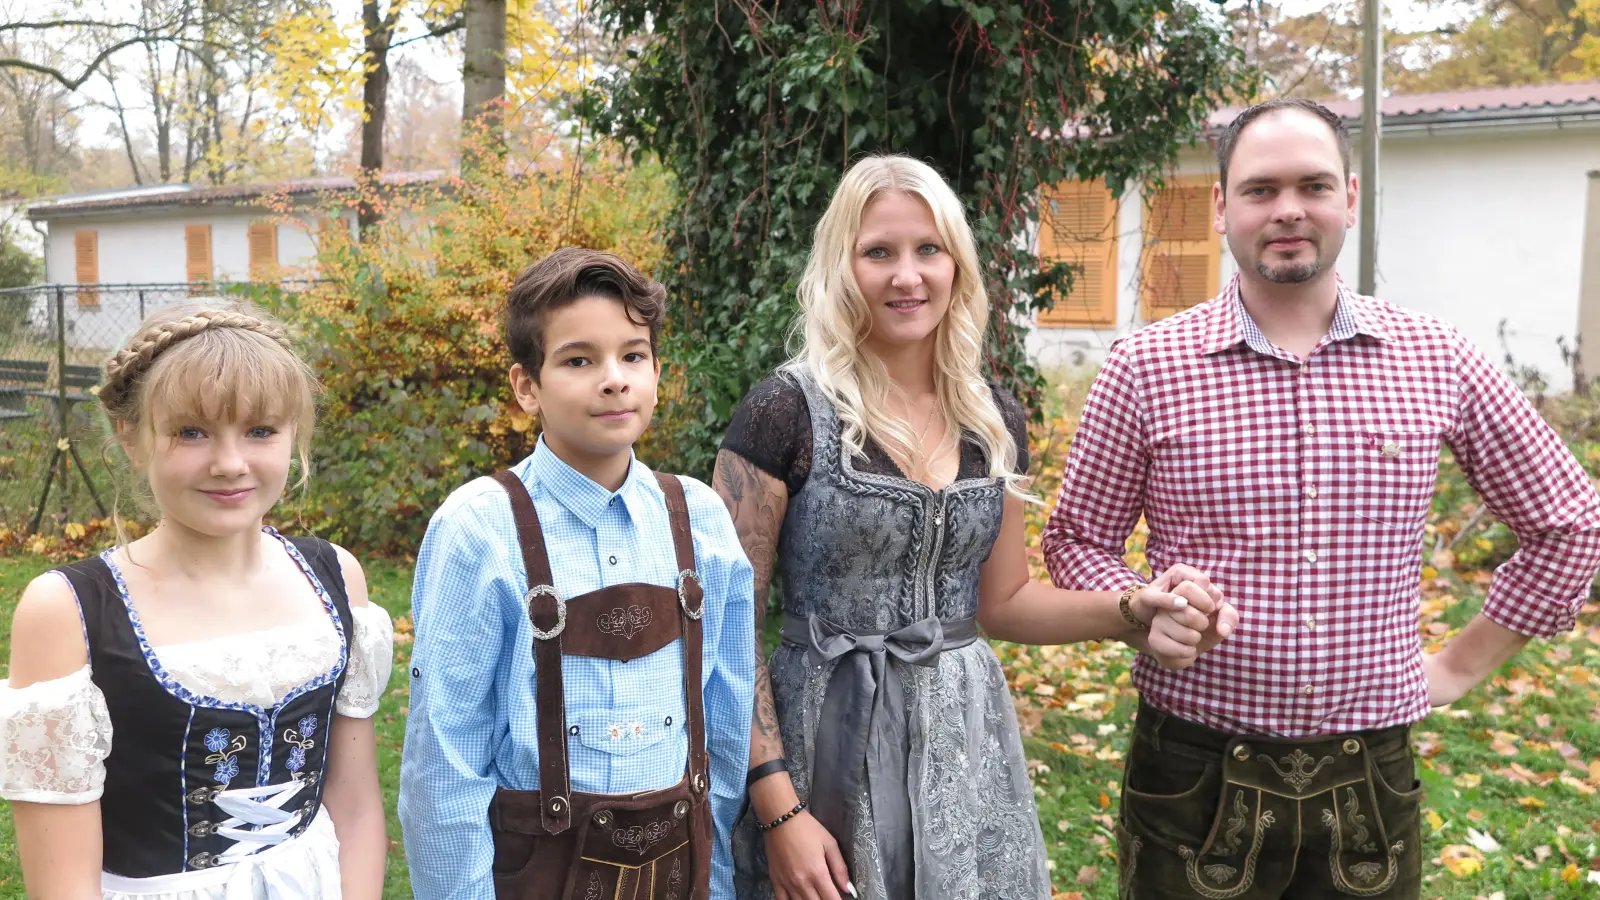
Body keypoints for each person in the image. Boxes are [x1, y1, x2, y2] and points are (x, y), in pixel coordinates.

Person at [1042, 97, 1600, 899]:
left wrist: (1453, 667)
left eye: (1313, 185)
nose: (1289, 210)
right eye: (1262, 189)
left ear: (1351, 198)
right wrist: (1137, 606)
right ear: (1220, 206)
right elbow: (1076, 541)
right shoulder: (1147, 366)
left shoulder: (1435, 358)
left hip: (1369, 776)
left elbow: (1569, 522)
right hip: (1191, 772)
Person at [716, 154, 1239, 900]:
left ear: (957, 264)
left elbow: (1006, 603)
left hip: (964, 741)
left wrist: (1134, 608)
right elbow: (723, 627)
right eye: (879, 252)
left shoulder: (992, 419)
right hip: (821, 738)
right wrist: (778, 809)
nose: (908, 276)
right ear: (842, 267)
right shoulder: (785, 411)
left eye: (928, 249)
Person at [0, 301, 394, 899]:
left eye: (260, 430)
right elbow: (62, 884)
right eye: (191, 432)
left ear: (294, 435)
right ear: (131, 438)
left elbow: (358, 808)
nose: (230, 463)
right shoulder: (68, 610)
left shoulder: (337, 576)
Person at [398, 248, 756, 900]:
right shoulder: (478, 531)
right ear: (526, 386)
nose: (614, 379)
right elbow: (443, 772)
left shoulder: (701, 522)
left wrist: (719, 882)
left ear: (657, 372)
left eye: (633, 355)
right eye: (578, 360)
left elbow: (727, 731)